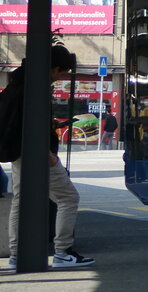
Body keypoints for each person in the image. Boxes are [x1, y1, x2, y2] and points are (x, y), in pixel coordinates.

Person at [4, 44, 95, 270]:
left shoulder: (19, 81)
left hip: (18, 151)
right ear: (53, 69)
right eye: (61, 72)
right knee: (68, 198)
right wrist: (47, 153)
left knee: (20, 201)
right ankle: (63, 251)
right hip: (37, 153)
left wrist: (49, 124)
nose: (61, 78)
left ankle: (16, 254)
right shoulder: (35, 86)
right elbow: (31, 123)